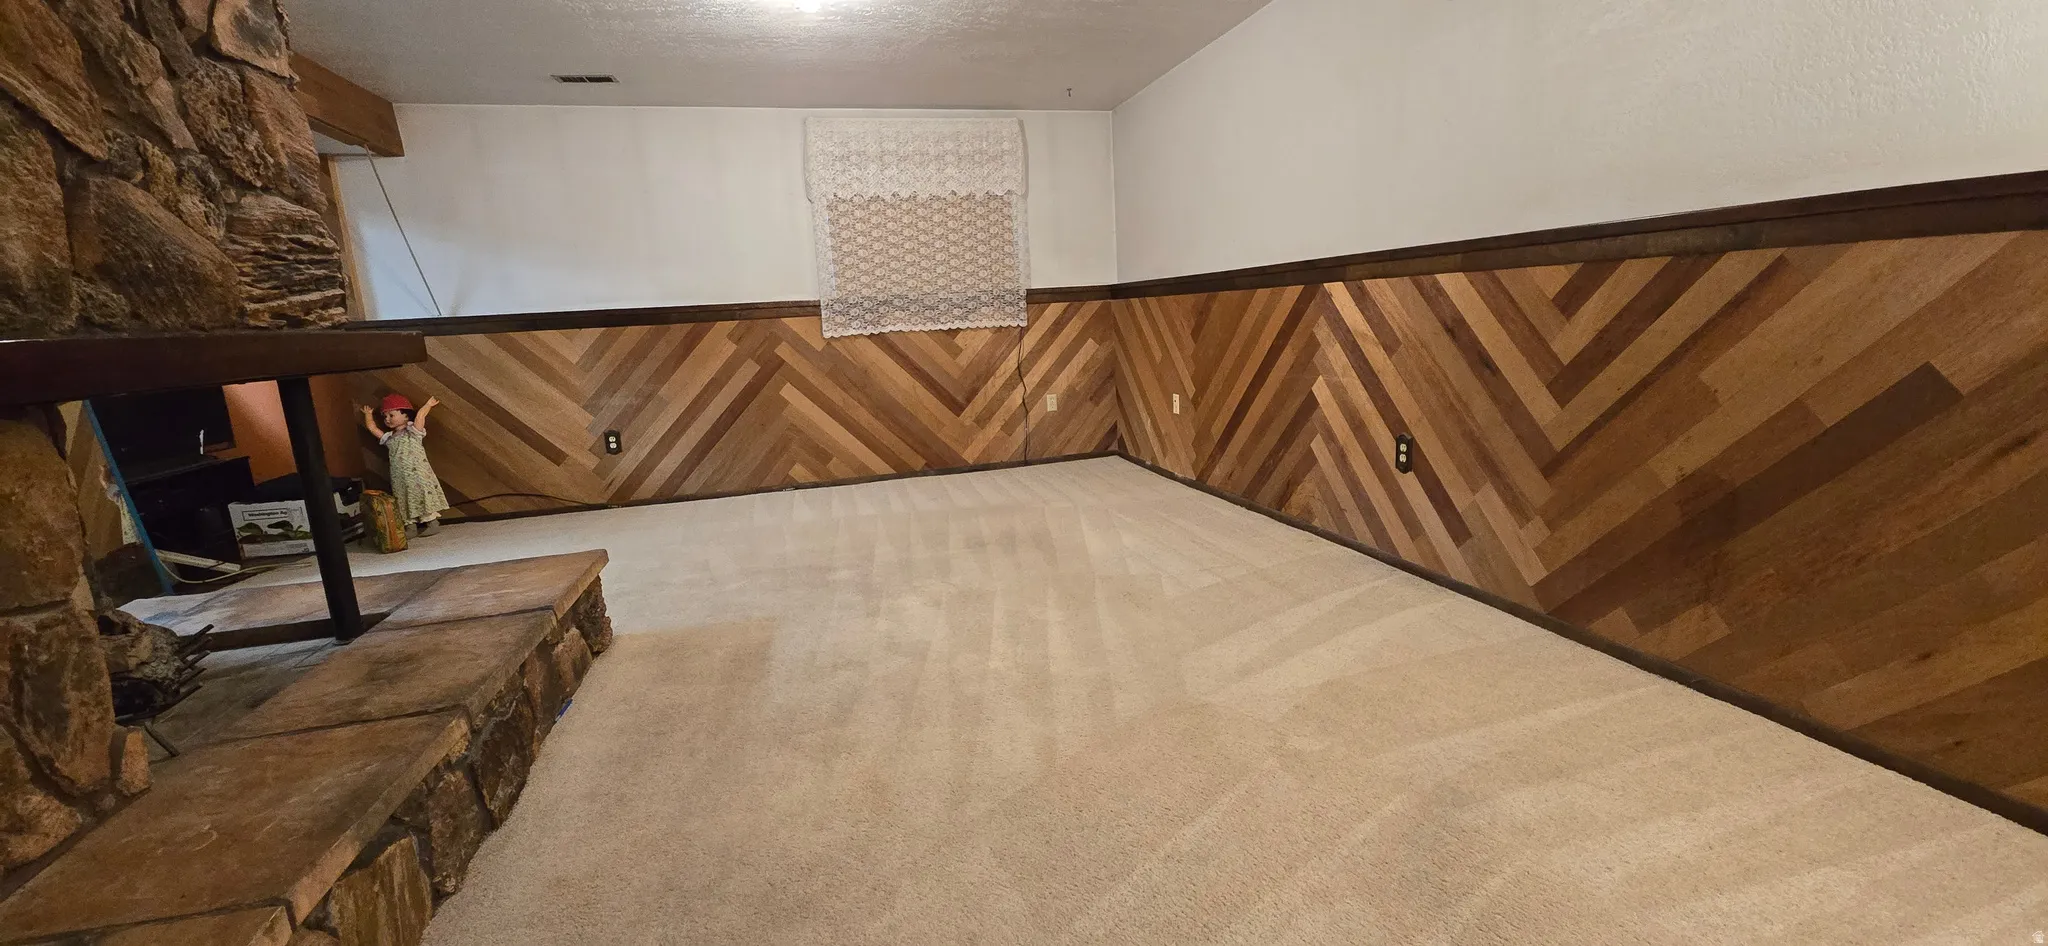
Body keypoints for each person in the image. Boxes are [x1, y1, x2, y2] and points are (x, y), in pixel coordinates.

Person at [360, 393, 450, 536]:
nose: (387, 419)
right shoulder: (389, 437)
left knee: (421, 495)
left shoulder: (413, 432)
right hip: (399, 477)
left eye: (391, 415)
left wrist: (428, 405)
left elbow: (420, 417)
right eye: (385, 416)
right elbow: (373, 429)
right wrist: (368, 415)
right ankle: (410, 527)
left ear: (406, 415)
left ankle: (432, 523)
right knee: (402, 498)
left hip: (418, 475)